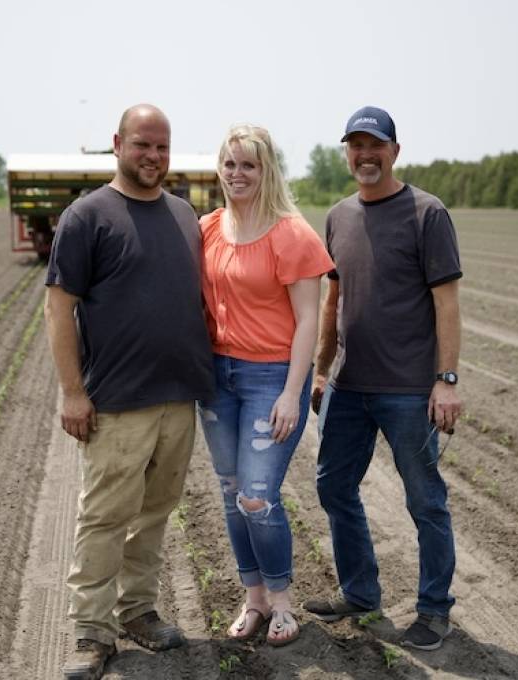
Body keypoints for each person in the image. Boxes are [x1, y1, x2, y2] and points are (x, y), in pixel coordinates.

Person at [44, 103, 215, 680]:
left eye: (163, 148)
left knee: (156, 514)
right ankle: (92, 632)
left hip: (178, 399)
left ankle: (138, 611)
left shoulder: (185, 216)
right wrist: (73, 392)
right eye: (143, 145)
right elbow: (58, 307)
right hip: (116, 402)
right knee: (105, 517)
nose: (154, 157)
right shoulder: (86, 217)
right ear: (118, 143)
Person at [303, 106, 463, 651]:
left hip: (408, 390)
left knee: (425, 501)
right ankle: (361, 592)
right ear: (346, 152)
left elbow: (447, 304)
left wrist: (446, 379)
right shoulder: (338, 216)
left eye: (375, 145)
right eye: (355, 145)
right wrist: (321, 372)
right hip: (348, 387)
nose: (365, 155)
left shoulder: (427, 213)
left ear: (394, 150)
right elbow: (334, 301)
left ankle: (435, 611)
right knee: (333, 486)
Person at [197, 124, 334, 647]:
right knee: (232, 493)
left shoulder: (291, 234)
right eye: (230, 164)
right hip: (218, 379)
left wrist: (291, 393)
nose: (237, 174)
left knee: (258, 497)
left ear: (267, 170)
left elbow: (308, 322)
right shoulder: (208, 227)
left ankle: (282, 605)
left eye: (248, 165)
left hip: (270, 379)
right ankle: (252, 599)